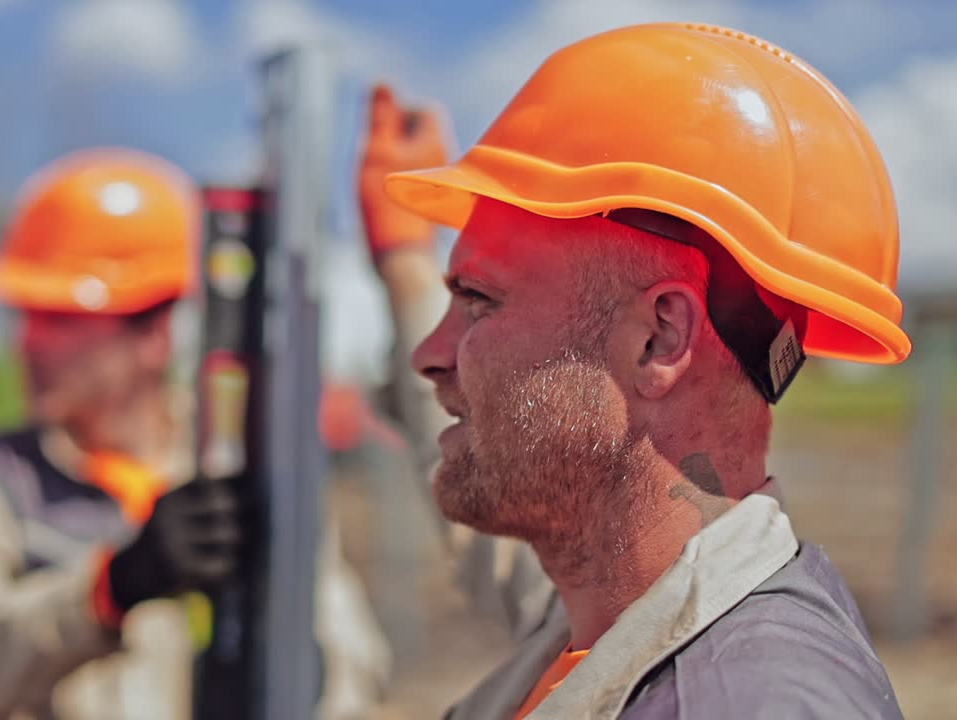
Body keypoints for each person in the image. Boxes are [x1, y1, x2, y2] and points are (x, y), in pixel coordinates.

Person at [359, 22, 909, 719]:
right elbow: (496, 488)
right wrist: (403, 263)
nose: (428, 355)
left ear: (658, 339)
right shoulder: (617, 607)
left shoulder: (741, 704)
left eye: (477, 299)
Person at [0, 148, 389, 720]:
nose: (28, 343)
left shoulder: (247, 469)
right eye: (26, 316)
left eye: (59, 319)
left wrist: (285, 650)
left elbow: (357, 665)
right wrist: (110, 588)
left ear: (155, 333)